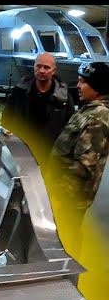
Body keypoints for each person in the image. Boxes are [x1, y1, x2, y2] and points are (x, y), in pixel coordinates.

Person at [47, 61, 109, 239]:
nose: (78, 86)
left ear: (96, 88)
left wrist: (60, 199)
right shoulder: (88, 110)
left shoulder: (99, 116)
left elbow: (84, 167)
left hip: (68, 199)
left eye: (83, 82)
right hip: (61, 193)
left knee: (65, 241)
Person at [1, 53, 75, 165]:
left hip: (49, 156)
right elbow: (6, 118)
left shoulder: (63, 98)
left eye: (46, 67)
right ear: (34, 67)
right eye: (38, 66)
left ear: (54, 71)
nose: (41, 70)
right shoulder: (20, 92)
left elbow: (70, 129)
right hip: (20, 152)